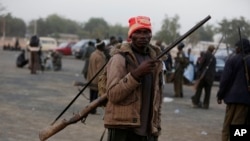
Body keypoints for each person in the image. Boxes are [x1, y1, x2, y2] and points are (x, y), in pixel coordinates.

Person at [104, 16, 164, 141]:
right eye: (138, 32)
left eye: (146, 32)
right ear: (131, 36)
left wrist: (156, 126)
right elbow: (113, 95)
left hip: (148, 131)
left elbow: (157, 98)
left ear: (151, 35)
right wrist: (136, 74)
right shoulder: (119, 59)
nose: (143, 36)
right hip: (124, 129)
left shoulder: (156, 61)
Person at [217, 38, 250, 141]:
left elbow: (225, 80)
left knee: (227, 125)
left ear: (240, 48)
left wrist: (220, 95)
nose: (236, 49)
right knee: (238, 126)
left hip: (231, 97)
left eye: (237, 47)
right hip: (245, 99)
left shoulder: (231, 59)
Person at [87, 40, 106, 114]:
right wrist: (102, 82)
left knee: (92, 96)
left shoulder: (93, 54)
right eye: (104, 46)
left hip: (91, 78)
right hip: (96, 80)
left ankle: (90, 109)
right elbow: (101, 71)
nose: (105, 47)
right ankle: (92, 110)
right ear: (101, 47)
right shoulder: (100, 57)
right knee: (95, 97)